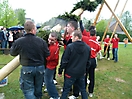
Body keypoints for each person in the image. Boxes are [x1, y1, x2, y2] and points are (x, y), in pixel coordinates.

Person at [10, 20, 50, 99]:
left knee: (28, 90)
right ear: (33, 29)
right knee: (38, 89)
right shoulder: (41, 41)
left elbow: (12, 53)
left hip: (27, 68)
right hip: (40, 67)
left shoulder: (19, 41)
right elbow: (47, 54)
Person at [58, 30, 91, 99]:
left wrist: (60, 70)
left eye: (72, 36)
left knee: (66, 90)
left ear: (76, 37)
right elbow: (88, 62)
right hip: (81, 73)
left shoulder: (70, 47)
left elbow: (64, 61)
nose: (71, 38)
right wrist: (85, 70)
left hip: (70, 73)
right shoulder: (88, 48)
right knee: (83, 90)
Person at [44, 32, 60, 99]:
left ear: (55, 40)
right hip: (52, 65)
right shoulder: (55, 45)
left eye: (52, 40)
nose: (50, 41)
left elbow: (48, 58)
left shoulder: (53, 48)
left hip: (50, 66)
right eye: (49, 39)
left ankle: (55, 96)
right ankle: (49, 88)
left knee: (48, 81)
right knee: (49, 80)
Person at [86, 29, 101, 98]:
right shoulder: (97, 43)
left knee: (84, 75)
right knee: (92, 77)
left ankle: (82, 90)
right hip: (93, 60)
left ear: (89, 34)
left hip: (86, 60)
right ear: (95, 34)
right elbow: (98, 50)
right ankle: (90, 92)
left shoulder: (87, 40)